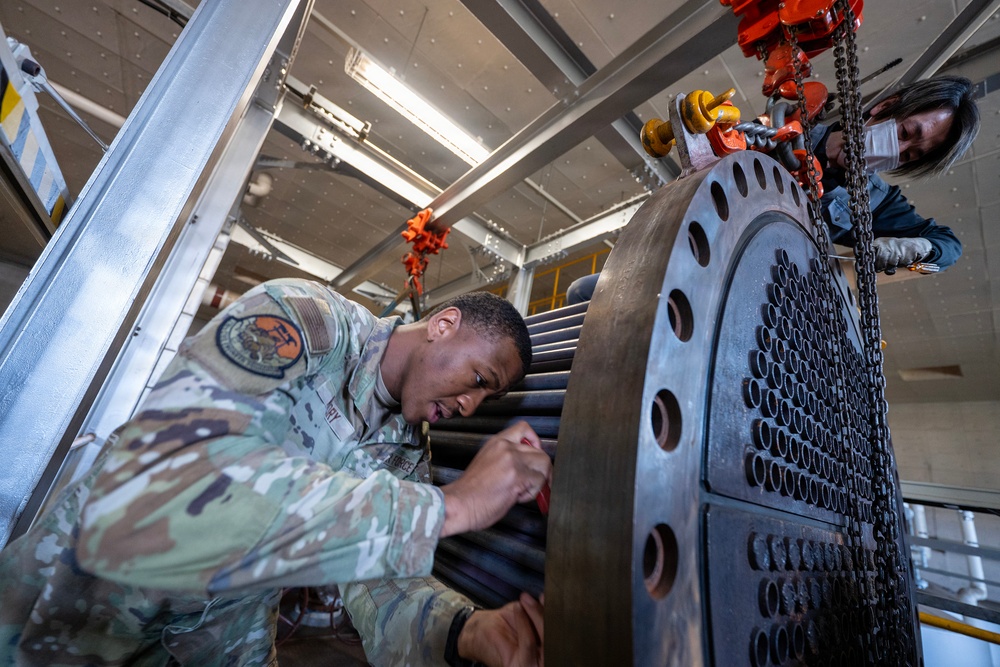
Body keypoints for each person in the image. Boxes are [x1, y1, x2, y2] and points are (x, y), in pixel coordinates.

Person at [0, 278, 551, 666]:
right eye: (479, 379)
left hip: (217, 634)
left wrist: (466, 630)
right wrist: (452, 507)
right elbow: (179, 477)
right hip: (75, 613)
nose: (471, 406)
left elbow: (383, 581)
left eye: (488, 398)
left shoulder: (406, 454)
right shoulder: (309, 321)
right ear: (445, 325)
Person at [566, 75, 980, 304]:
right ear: (885, 107)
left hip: (763, 297)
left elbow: (949, 247)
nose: (899, 151)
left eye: (910, 156)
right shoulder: (785, 130)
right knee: (587, 295)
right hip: (702, 262)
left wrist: (918, 249)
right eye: (906, 134)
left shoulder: (876, 201)